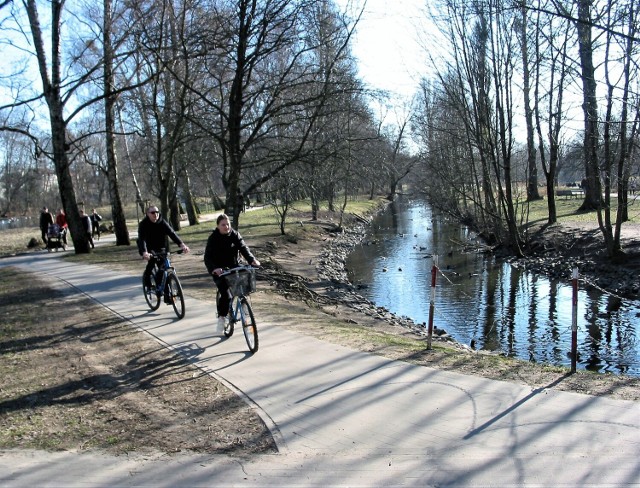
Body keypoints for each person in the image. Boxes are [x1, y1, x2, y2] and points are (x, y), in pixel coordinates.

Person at [204, 213, 260, 332]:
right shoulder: (213, 238)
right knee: (226, 294)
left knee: (245, 283)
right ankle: (222, 318)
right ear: (218, 226)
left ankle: (244, 305)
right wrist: (214, 269)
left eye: (228, 224)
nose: (226, 227)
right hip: (219, 270)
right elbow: (207, 257)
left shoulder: (234, 234)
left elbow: (243, 248)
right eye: (223, 225)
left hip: (234, 266)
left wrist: (252, 260)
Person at [137, 206, 190, 299]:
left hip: (160, 247)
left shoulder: (162, 221)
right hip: (147, 248)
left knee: (163, 268)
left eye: (157, 212)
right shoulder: (143, 224)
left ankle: (166, 295)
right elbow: (142, 239)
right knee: (152, 262)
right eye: (152, 212)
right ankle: (148, 282)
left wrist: (182, 245)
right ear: (147, 214)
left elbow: (172, 233)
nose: (155, 214)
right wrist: (145, 252)